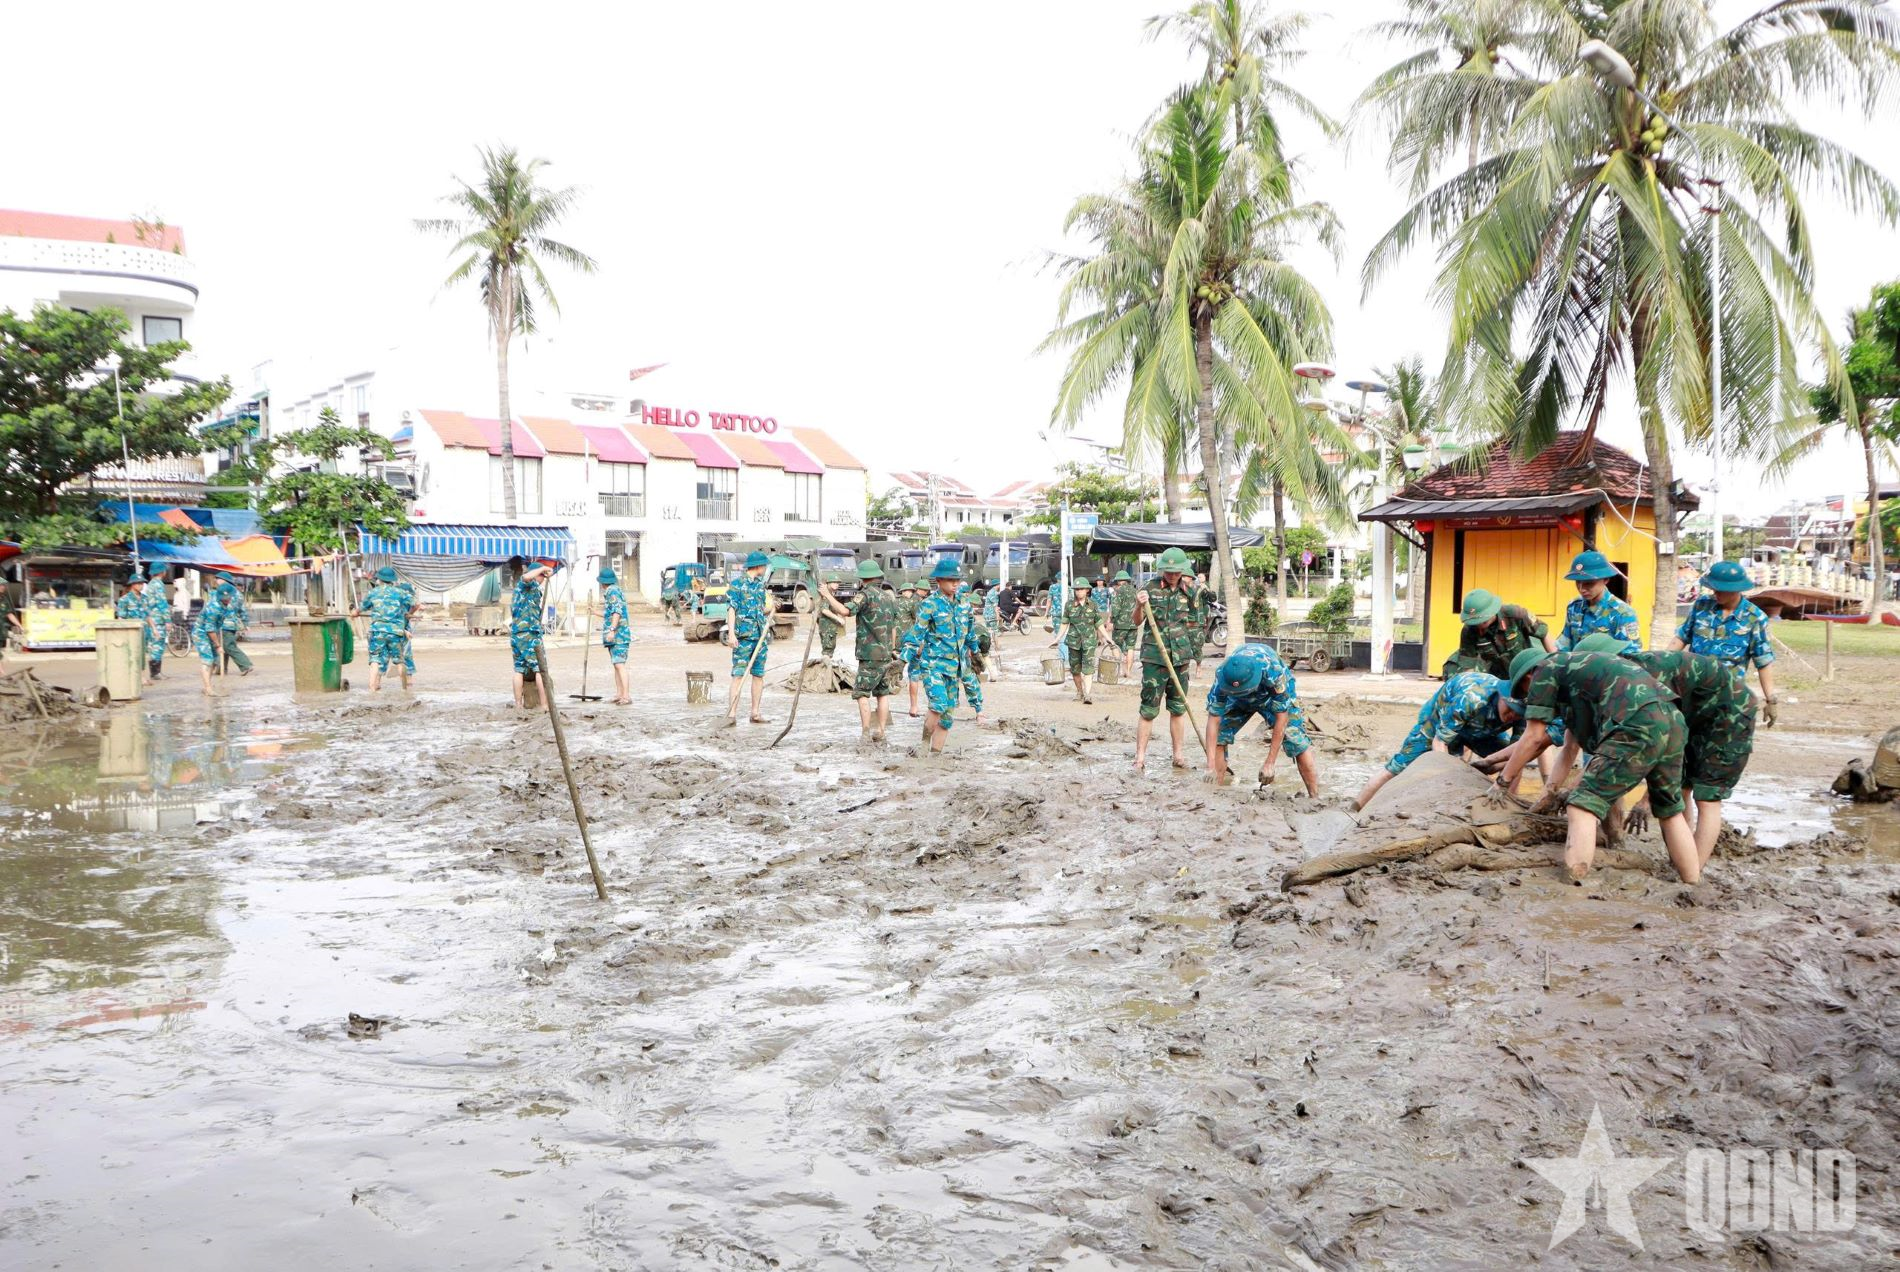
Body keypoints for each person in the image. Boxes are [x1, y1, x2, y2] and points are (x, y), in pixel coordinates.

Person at [1495, 647, 1701, 884]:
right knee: (1670, 812)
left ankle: (1574, 886)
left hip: (1636, 724)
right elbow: (1572, 748)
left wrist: (1502, 782)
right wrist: (1550, 793)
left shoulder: (1544, 671)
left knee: (1580, 808)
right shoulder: (1576, 674)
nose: (1528, 698)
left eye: (1524, 692)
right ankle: (1693, 885)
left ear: (1528, 677)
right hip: (1673, 721)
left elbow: (1533, 737)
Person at [1574, 633, 1759, 870]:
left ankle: (1694, 874)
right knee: (1680, 789)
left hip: (1730, 712)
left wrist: (1646, 800)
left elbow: (1663, 744)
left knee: (1708, 797)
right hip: (1693, 715)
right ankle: (1681, 861)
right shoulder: (1620, 684)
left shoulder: (1645, 677)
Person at [1354, 670, 1521, 809]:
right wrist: (1449, 785)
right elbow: (1440, 743)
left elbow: (1519, 753)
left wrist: (1490, 770)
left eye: (1518, 713)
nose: (1513, 716)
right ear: (1501, 697)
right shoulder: (1471, 697)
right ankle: (1355, 809)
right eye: (1510, 709)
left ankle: (1505, 806)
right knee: (1397, 768)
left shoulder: (1526, 711)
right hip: (1437, 723)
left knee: (1513, 760)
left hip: (1481, 730)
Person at [1668, 560, 1777, 726]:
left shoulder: (1754, 618)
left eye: (1720, 590)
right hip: (1693, 694)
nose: (1715, 593)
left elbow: (1763, 661)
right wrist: (1663, 664)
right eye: (1714, 589)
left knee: (1720, 749)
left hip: (1727, 699)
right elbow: (1681, 638)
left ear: (1736, 589)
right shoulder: (1701, 606)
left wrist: (1771, 700)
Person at [1132, 547, 1210, 772]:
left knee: (1178, 708)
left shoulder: (1190, 592)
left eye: (1176, 571)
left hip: (1180, 659)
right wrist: (1139, 604)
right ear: (1162, 569)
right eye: (1168, 571)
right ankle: (1140, 758)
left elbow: (1196, 627)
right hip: (1155, 658)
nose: (1172, 575)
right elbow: (1136, 621)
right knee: (1148, 709)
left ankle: (1178, 755)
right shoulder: (1149, 589)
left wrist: (1197, 659)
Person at [1204, 642, 1318, 794]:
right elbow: (1214, 720)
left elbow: (1282, 717)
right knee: (1220, 735)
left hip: (1270, 698)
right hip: (1237, 699)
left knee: (1295, 739)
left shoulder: (1273, 672)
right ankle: (1215, 793)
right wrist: (1210, 765)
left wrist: (1270, 763)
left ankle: (1314, 797)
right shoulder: (1223, 676)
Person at [902, 557, 982, 756]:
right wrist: (902, 660)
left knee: (947, 718)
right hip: (933, 666)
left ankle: (935, 755)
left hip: (955, 668)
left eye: (957, 580)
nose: (955, 584)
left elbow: (970, 633)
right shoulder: (930, 604)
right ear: (938, 581)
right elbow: (916, 634)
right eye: (950, 580)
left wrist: (977, 653)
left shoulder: (964, 605)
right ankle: (923, 746)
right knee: (938, 705)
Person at [826, 560, 902, 742]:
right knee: (882, 693)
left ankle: (866, 732)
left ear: (863, 578)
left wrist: (826, 595)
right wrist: (891, 649)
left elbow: (845, 611)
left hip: (869, 655)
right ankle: (881, 731)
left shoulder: (864, 596)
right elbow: (893, 628)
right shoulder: (889, 598)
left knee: (861, 693)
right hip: (885, 654)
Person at [1442, 588, 1555, 678]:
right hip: (1497, 677)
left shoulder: (1515, 614)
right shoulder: (1469, 631)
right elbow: (1468, 666)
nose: (1479, 626)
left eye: (1483, 620)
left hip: (1526, 671)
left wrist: (1556, 664)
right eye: (1475, 622)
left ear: (1492, 611)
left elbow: (1544, 634)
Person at [1555, 550, 1639, 653]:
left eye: (1589, 583)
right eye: (1578, 582)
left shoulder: (1623, 614)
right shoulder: (1574, 606)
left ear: (1605, 580)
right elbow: (1564, 646)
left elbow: (1631, 657)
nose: (1581, 589)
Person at [725, 550, 773, 723]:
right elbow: (731, 609)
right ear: (758, 566)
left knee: (758, 675)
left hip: (760, 638)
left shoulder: (760, 586)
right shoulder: (737, 585)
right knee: (738, 675)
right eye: (764, 566)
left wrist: (774, 607)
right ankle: (731, 714)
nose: (765, 568)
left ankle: (755, 713)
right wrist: (731, 634)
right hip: (743, 637)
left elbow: (760, 610)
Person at [1052, 576, 1109, 704]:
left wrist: (1107, 638)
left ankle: (1088, 694)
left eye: (1081, 589)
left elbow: (1098, 623)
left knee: (1088, 668)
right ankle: (1079, 692)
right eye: (1077, 589)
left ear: (1087, 590)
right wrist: (1057, 639)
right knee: (1075, 669)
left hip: (1089, 641)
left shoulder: (1093, 605)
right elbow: (1064, 623)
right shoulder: (1069, 605)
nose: (1079, 592)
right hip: (1073, 642)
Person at [358, 566, 412, 692]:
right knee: (399, 661)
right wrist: (406, 615)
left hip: (378, 631)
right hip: (396, 632)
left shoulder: (373, 592)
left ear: (379, 580)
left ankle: (372, 689)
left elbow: (362, 608)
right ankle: (405, 689)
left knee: (375, 660)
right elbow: (414, 603)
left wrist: (355, 612)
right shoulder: (400, 592)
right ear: (392, 580)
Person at [510, 560, 553, 709]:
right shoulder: (527, 584)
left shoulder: (527, 589)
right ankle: (544, 705)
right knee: (540, 669)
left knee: (519, 669)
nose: (542, 580)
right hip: (529, 634)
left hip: (517, 634)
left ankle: (518, 705)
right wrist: (543, 568)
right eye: (541, 576)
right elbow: (527, 578)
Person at [598, 565, 632, 706]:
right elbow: (609, 614)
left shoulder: (612, 592)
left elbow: (617, 613)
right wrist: (594, 612)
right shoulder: (613, 591)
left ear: (602, 582)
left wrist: (612, 630)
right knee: (616, 664)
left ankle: (626, 696)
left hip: (619, 635)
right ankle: (619, 694)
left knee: (619, 665)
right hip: (616, 635)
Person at [191, 585, 228, 697]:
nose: (229, 599)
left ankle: (208, 686)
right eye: (227, 598)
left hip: (211, 632)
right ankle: (208, 688)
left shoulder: (223, 605)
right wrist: (218, 645)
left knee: (214, 660)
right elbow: (209, 629)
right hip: (201, 633)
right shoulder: (214, 608)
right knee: (207, 660)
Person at [214, 579, 254, 675]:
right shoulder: (239, 595)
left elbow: (218, 608)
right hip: (231, 624)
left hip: (226, 624)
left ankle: (245, 665)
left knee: (229, 646)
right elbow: (243, 611)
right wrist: (246, 623)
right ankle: (221, 668)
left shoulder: (225, 593)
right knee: (224, 646)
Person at [114, 574, 150, 677]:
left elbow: (148, 615)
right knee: (131, 654)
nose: (141, 586)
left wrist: (154, 628)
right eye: (139, 583)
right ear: (132, 584)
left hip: (144, 631)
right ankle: (131, 676)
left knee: (142, 654)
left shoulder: (145, 598)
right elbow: (121, 618)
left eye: (142, 583)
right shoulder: (124, 600)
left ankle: (142, 676)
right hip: (131, 632)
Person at [1109, 569, 1140, 678]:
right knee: (1131, 647)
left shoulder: (1117, 591)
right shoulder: (1135, 591)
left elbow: (1115, 608)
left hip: (1120, 625)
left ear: (1118, 581)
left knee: (1115, 646)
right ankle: (1128, 671)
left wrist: (1111, 621)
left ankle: (1120, 669)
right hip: (1133, 624)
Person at [142, 565, 171, 681]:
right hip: (158, 619)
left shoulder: (150, 584)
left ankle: (155, 672)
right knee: (158, 645)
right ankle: (155, 673)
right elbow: (162, 603)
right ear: (162, 572)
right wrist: (168, 620)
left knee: (153, 645)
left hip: (151, 619)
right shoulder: (158, 585)